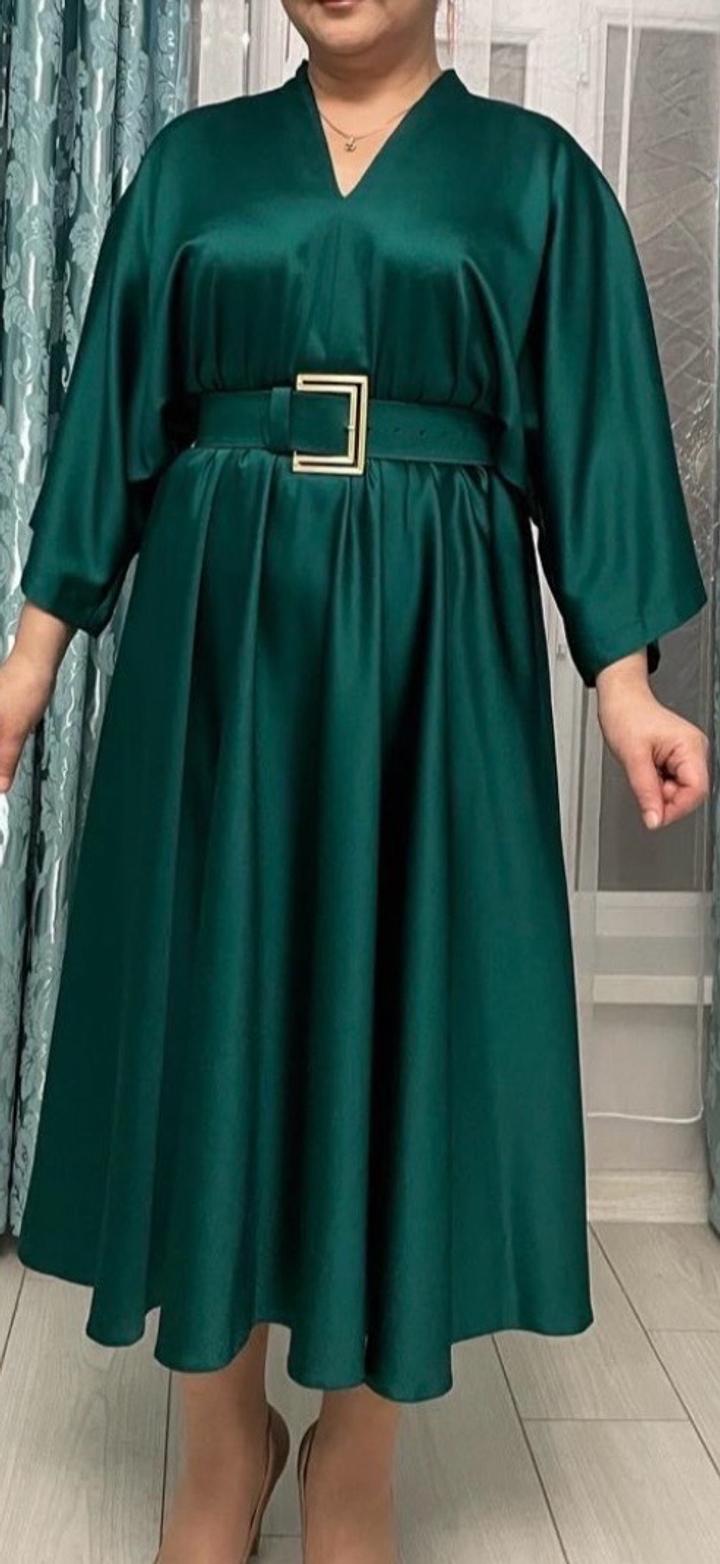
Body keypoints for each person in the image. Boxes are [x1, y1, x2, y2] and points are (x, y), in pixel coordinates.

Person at [1, 0, 710, 1560]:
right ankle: (219, 1446)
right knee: (212, 1000)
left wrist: (625, 683)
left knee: (408, 1006)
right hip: (218, 643)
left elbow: (597, 436)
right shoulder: (190, 166)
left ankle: (357, 1459)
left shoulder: (536, 177)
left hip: (432, 655)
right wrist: (32, 656)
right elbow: (109, 416)